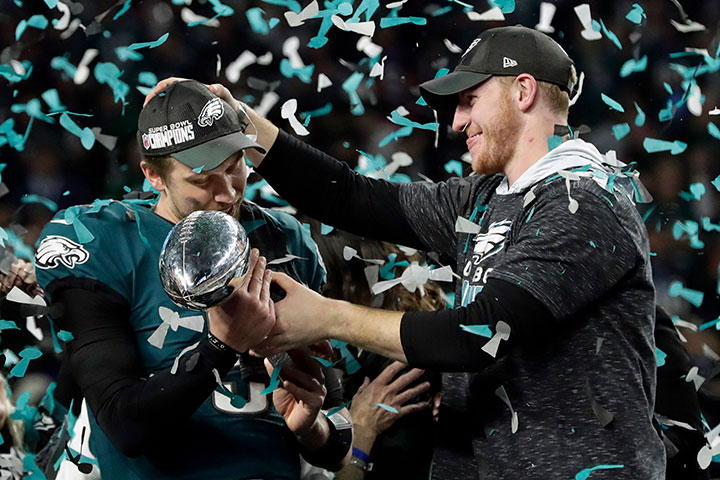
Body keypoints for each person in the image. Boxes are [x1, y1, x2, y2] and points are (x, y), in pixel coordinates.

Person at [154, 25, 665, 478]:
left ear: (523, 91)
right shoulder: (485, 198)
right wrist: (240, 123)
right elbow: (348, 197)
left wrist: (328, 317)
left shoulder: (583, 199)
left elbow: (481, 334)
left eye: (470, 100)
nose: (458, 121)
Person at [35, 80, 351, 479]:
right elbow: (124, 425)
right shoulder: (104, 241)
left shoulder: (284, 238)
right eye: (202, 180)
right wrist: (222, 346)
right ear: (153, 175)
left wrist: (311, 429)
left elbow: (339, 436)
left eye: (234, 166)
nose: (227, 193)